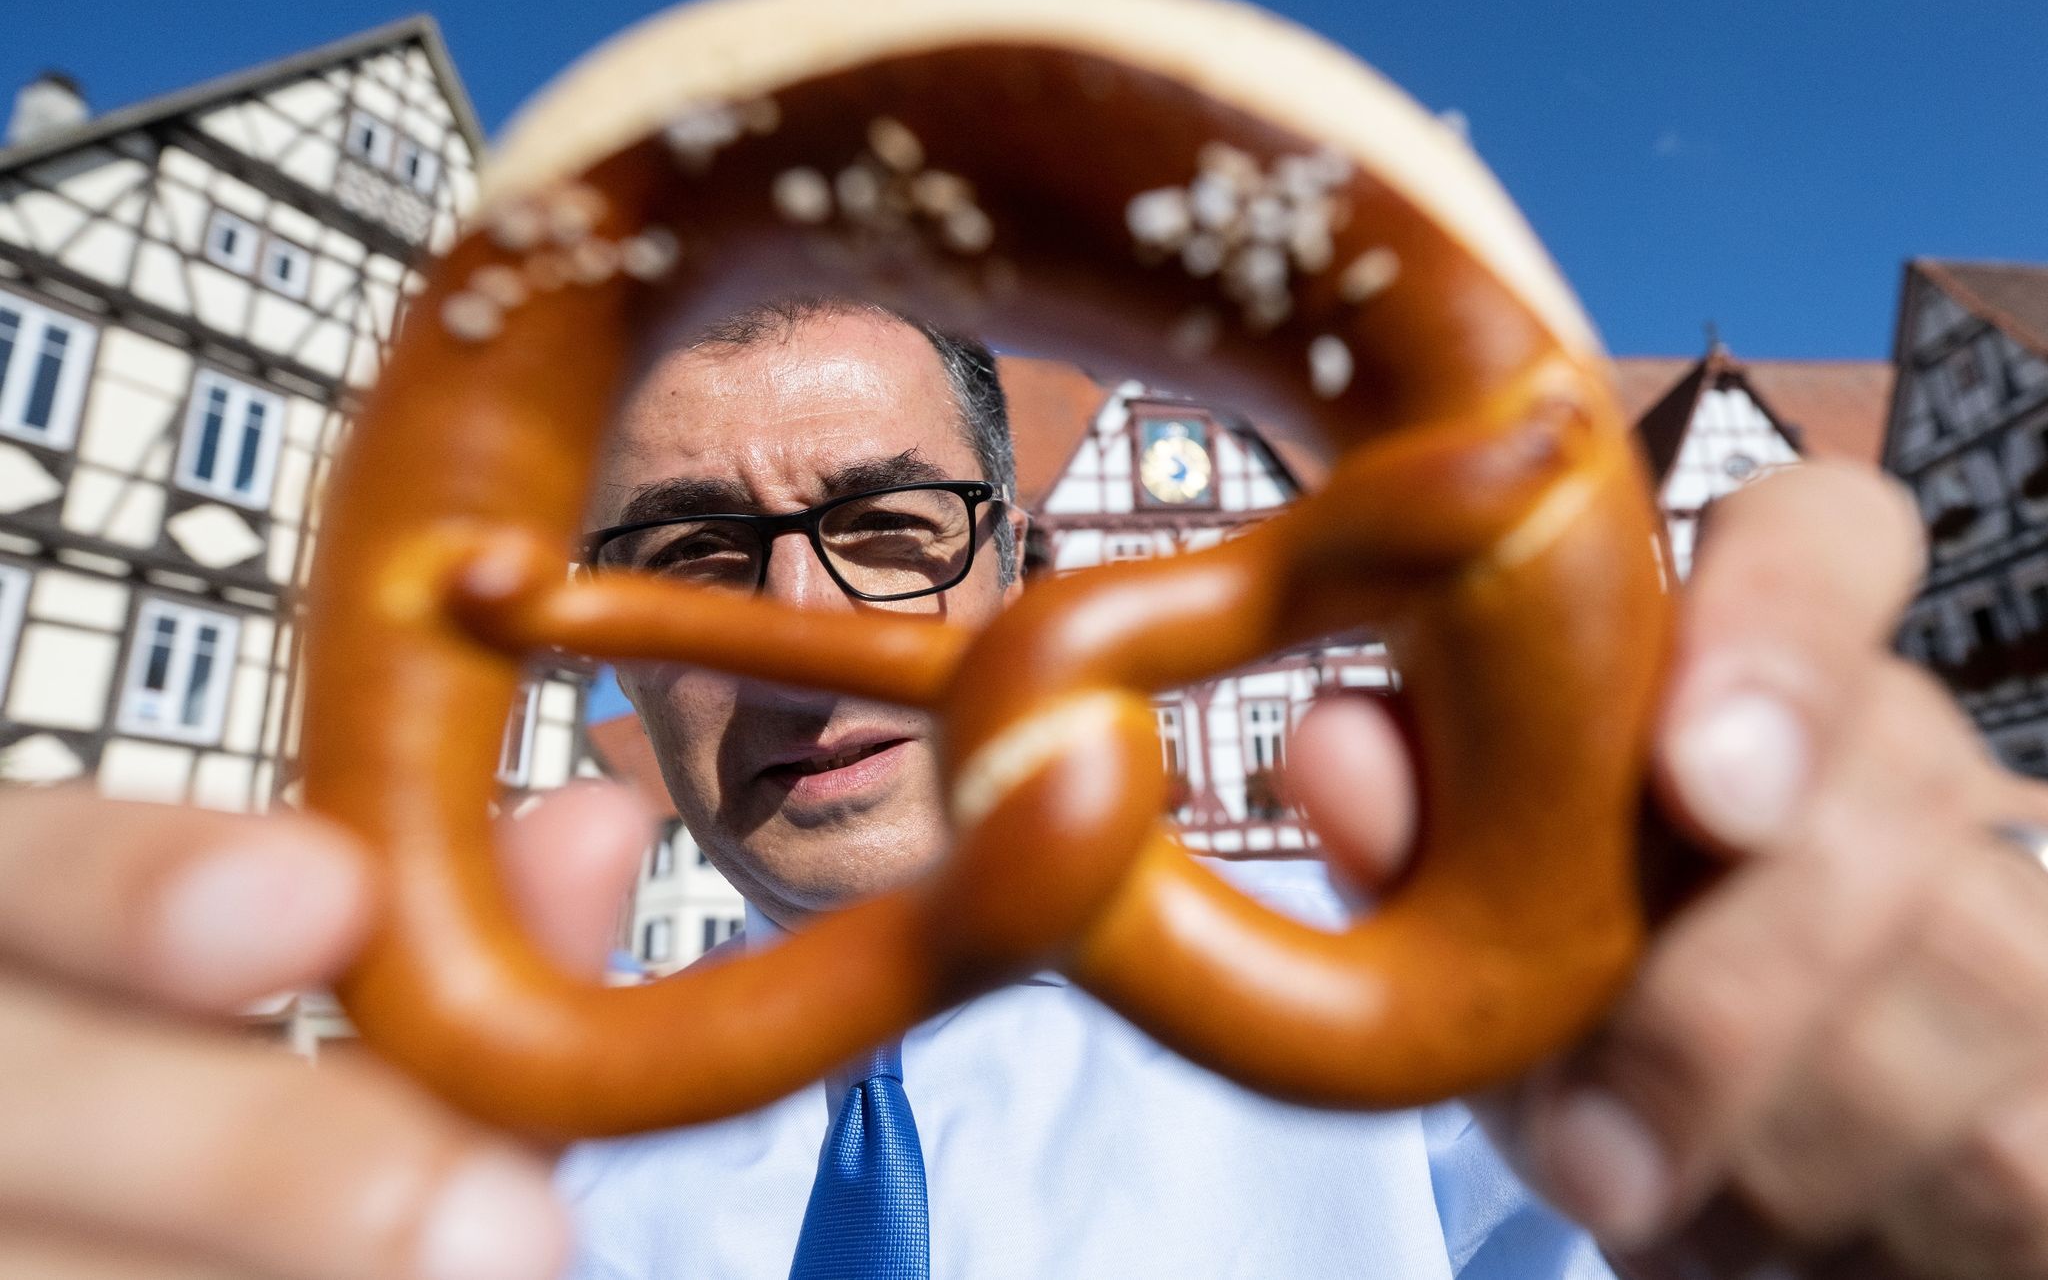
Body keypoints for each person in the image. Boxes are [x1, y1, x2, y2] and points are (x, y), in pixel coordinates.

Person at [6, 296, 2048, 1280]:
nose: (798, 616)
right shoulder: (464, 1190)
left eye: (891, 527)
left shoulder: (1472, 1035)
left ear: (1027, 575)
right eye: (695, 558)